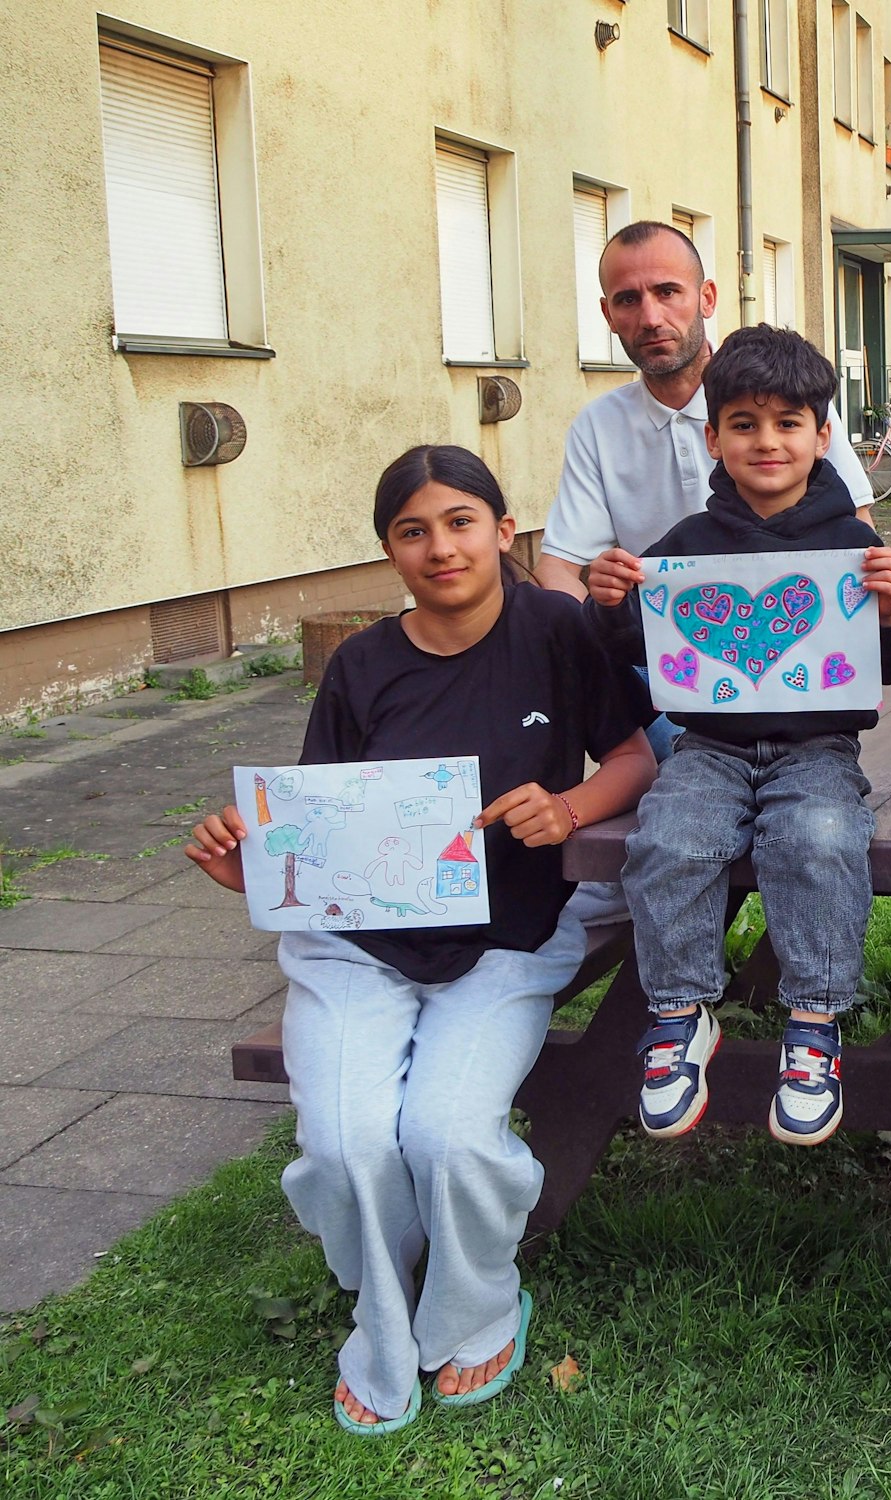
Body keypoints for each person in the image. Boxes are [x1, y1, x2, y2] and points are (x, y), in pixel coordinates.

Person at [183, 446, 655, 1434]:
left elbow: (633, 753)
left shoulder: (557, 629)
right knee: (348, 1144)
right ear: (389, 550)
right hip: (358, 946)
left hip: (508, 937)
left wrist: (568, 809)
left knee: (444, 1135)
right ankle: (383, 1315)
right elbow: (319, 825)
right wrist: (257, 870)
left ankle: (477, 1304)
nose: (441, 547)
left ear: (499, 526)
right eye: (413, 531)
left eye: (459, 522)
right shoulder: (361, 665)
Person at [583, 325, 891, 1146]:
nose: (767, 441)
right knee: (669, 837)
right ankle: (680, 1012)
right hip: (709, 748)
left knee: (822, 836)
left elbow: (890, 665)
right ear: (714, 438)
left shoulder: (856, 545)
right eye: (744, 423)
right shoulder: (685, 547)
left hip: (817, 750)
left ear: (823, 436)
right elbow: (633, 651)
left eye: (788, 422)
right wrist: (612, 600)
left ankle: (814, 1024)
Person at [535, 222, 875, 760]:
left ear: (706, 297)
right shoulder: (597, 426)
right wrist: (610, 623)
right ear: (607, 315)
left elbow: (857, 536)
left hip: (797, 661)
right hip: (665, 665)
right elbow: (558, 570)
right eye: (628, 299)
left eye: (667, 292)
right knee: (690, 784)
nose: (650, 317)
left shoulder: (790, 395)